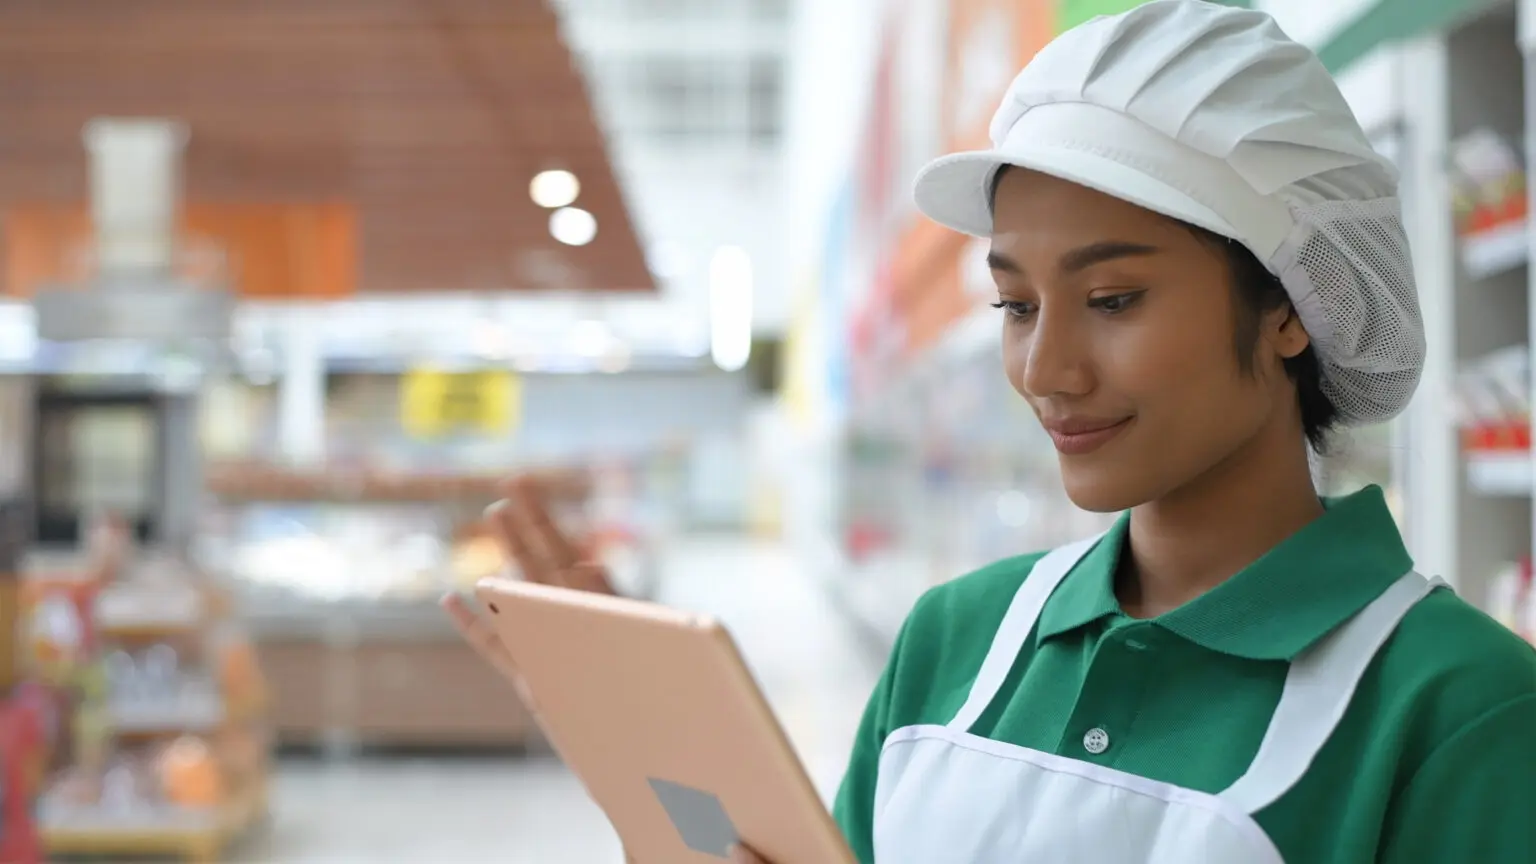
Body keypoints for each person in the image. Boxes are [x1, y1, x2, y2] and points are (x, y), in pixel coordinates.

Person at [449, 2, 1536, 861]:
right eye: (1015, 306)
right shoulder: (955, 643)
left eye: (1113, 300)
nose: (1046, 371)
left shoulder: (1459, 711)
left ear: (1292, 302)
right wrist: (654, 759)